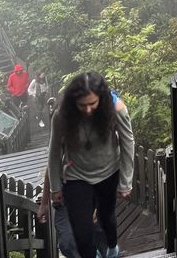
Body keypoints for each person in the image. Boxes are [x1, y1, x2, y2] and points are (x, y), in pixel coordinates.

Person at [48, 71, 134, 258]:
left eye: (92, 104)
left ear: (101, 98)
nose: (87, 110)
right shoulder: (61, 115)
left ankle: (112, 249)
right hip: (76, 175)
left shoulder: (116, 109)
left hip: (108, 172)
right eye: (82, 105)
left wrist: (126, 181)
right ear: (73, 102)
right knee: (82, 232)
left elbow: (127, 143)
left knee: (107, 220)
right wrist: (55, 187)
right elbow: (54, 152)